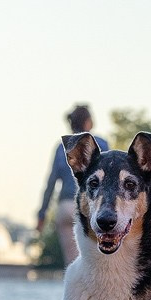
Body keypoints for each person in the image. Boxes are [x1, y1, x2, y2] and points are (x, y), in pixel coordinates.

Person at [35, 104, 107, 268]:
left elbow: (51, 183)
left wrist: (42, 215)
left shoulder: (62, 147)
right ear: (89, 122)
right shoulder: (101, 144)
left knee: (73, 263)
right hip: (91, 205)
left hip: (66, 206)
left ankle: (75, 293)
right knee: (96, 262)